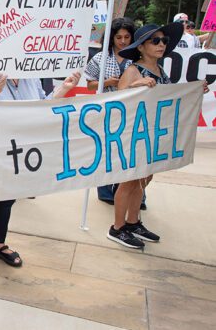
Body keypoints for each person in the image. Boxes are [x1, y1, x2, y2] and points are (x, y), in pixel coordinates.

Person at [0, 63, 81, 276]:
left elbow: (42, 107)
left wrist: (64, 88)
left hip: (19, 149)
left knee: (8, 199)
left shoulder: (31, 76)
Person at [110, 22, 207, 249]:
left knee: (143, 180)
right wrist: (136, 84)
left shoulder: (161, 71)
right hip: (134, 134)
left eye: (163, 41)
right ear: (141, 47)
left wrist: (194, 90)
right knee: (129, 180)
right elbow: (117, 101)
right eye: (156, 41)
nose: (162, 44)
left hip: (152, 135)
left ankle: (133, 222)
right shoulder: (133, 70)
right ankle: (117, 227)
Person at [83, 18, 147, 207]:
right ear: (111, 38)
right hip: (107, 110)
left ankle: (135, 194)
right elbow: (89, 85)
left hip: (134, 111)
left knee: (132, 151)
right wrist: (108, 82)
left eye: (127, 37)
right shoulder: (100, 58)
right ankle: (105, 191)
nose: (123, 41)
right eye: (118, 37)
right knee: (107, 150)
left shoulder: (138, 58)